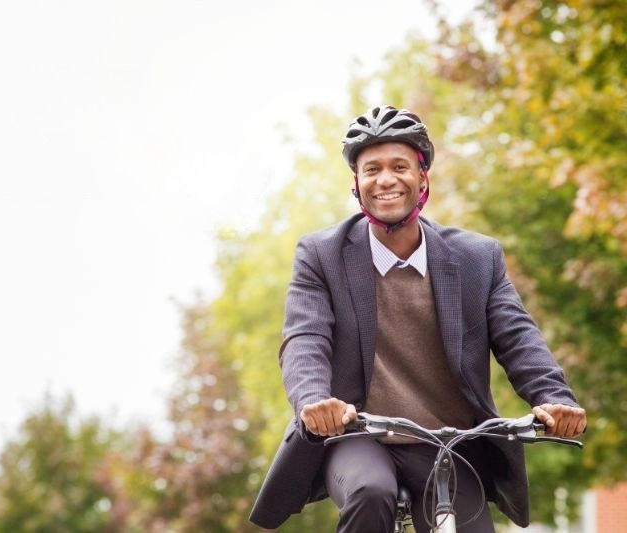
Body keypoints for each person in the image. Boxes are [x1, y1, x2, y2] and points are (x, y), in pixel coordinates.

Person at [248, 105, 587, 532]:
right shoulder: (322, 256)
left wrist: (556, 398)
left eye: (399, 166)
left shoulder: (476, 258)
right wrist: (315, 401)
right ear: (357, 185)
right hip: (358, 434)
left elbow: (518, 337)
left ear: (422, 177)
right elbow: (305, 338)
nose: (385, 179)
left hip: (447, 441)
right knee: (371, 493)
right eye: (371, 169)